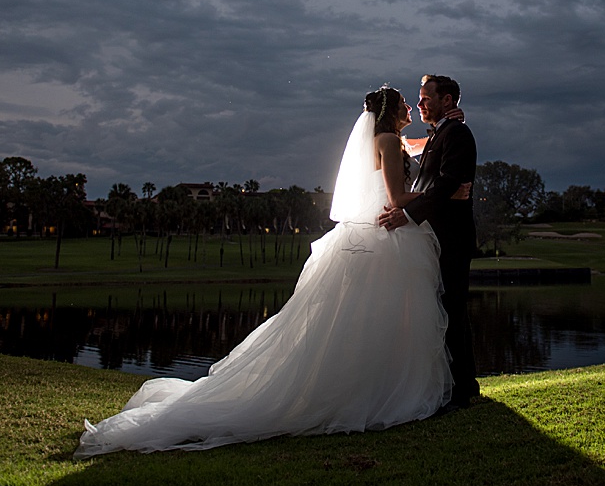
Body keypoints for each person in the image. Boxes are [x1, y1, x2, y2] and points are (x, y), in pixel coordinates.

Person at [74, 86, 452, 457]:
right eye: (405, 103)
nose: (411, 107)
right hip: (381, 239)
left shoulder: (388, 140)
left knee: (359, 324)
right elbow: (398, 198)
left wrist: (437, 133)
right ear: (390, 111)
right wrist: (445, 193)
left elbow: (415, 147)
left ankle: (370, 390)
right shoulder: (387, 141)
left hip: (369, 240)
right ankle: (373, 395)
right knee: (369, 321)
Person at [379, 74, 479, 411]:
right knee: (442, 310)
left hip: (452, 237)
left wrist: (407, 214)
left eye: (425, 98)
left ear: (447, 101)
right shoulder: (441, 133)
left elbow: (449, 180)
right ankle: (458, 384)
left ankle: (462, 390)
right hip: (432, 236)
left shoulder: (457, 133)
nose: (419, 104)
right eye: (417, 99)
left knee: (452, 309)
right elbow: (434, 184)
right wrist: (406, 206)